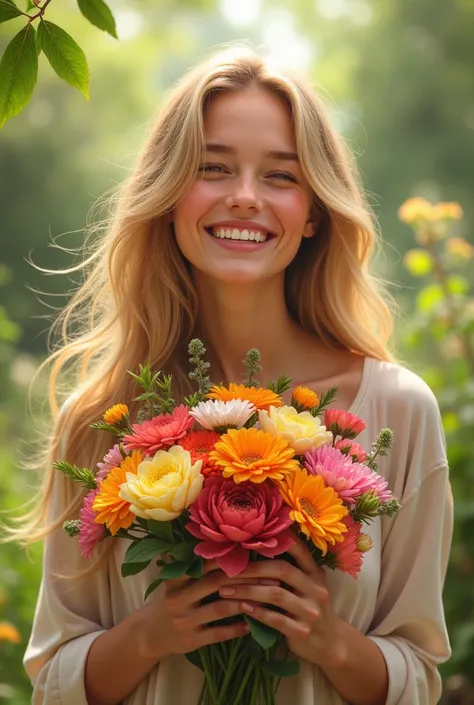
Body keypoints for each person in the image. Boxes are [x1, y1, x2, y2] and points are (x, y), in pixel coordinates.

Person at [17, 45, 452, 705]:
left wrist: (328, 638)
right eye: (212, 168)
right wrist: (148, 635)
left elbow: (420, 676)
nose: (244, 197)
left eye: (280, 176)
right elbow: (50, 681)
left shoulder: (399, 410)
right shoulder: (101, 415)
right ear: (167, 197)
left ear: (314, 211)